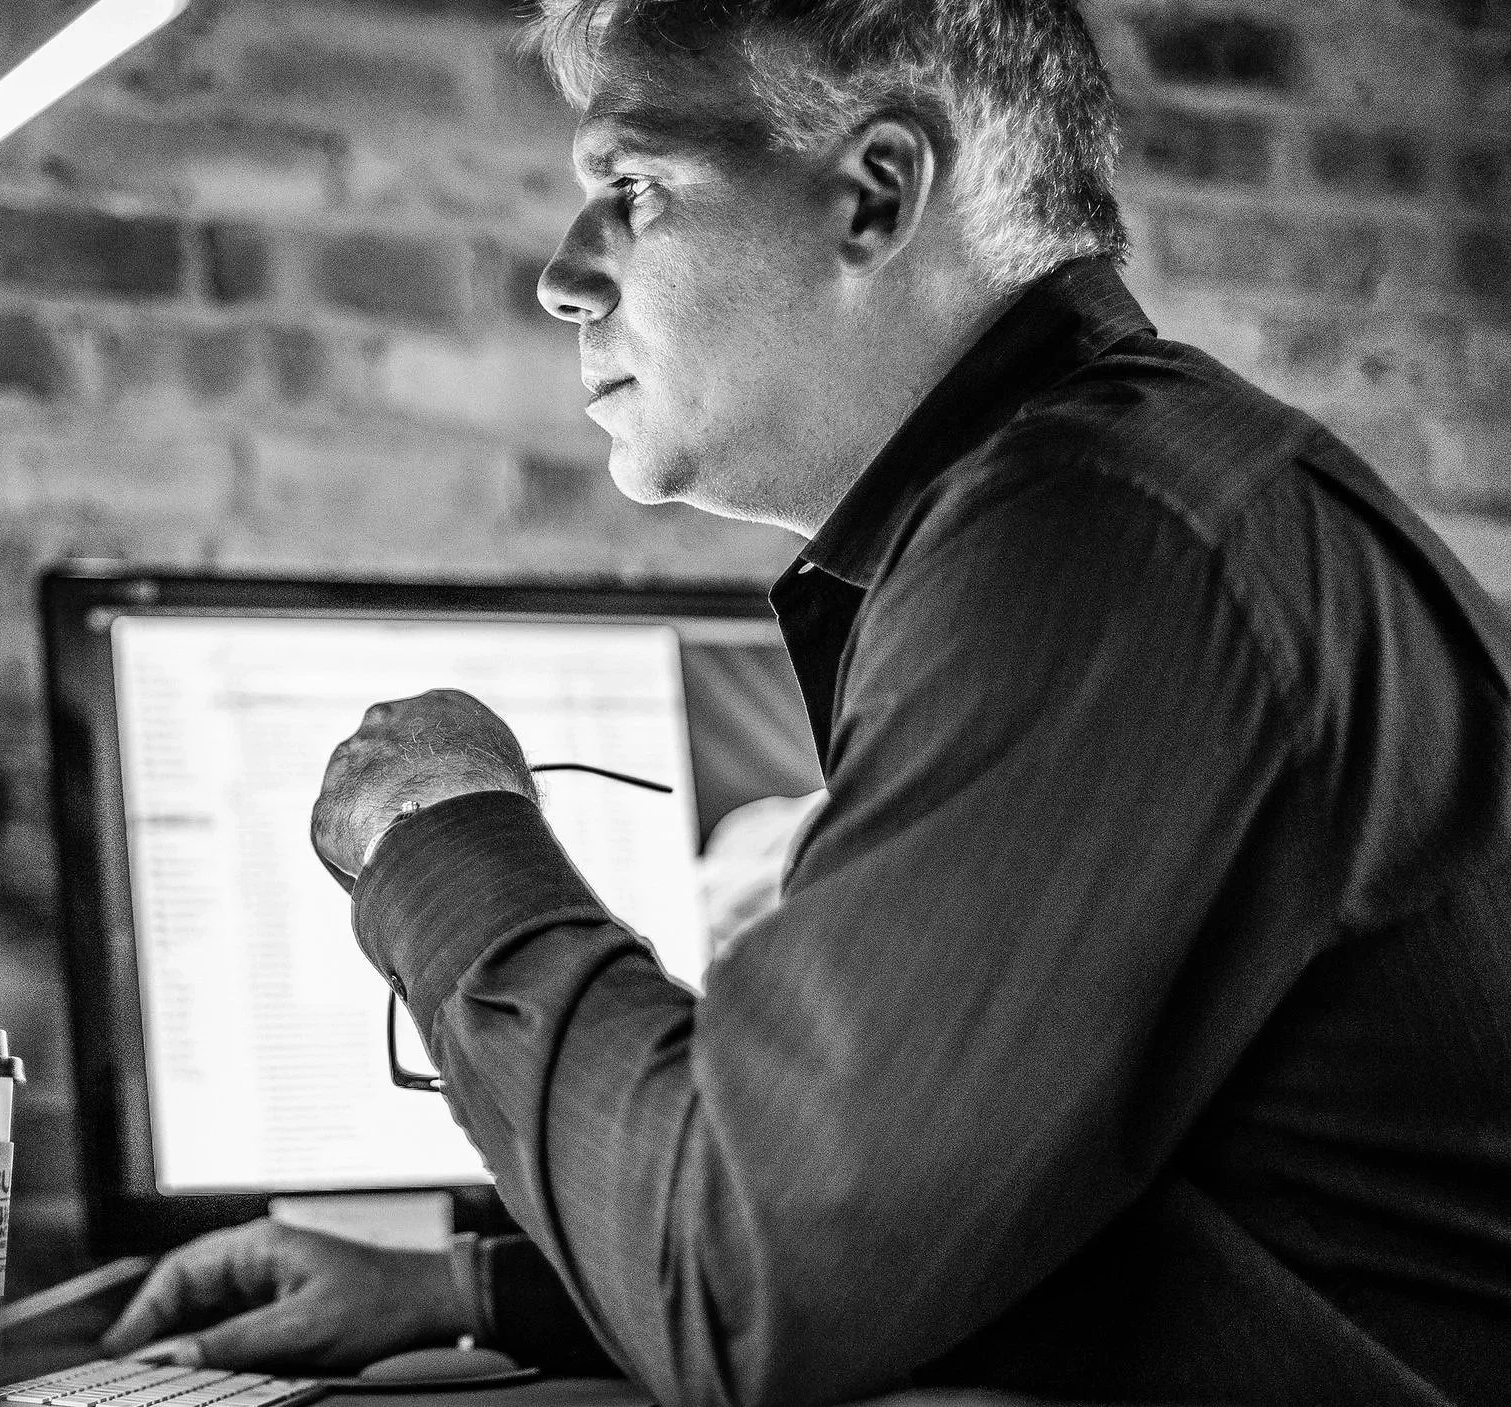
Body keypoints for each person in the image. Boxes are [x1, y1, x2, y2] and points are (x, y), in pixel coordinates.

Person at [99, 1, 1511, 1402]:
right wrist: (464, 1292)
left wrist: (439, 823)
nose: (562, 279)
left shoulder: (1093, 541)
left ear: (876, 194)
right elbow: (969, 1224)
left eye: (632, 190)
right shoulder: (1118, 499)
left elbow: (743, 1289)